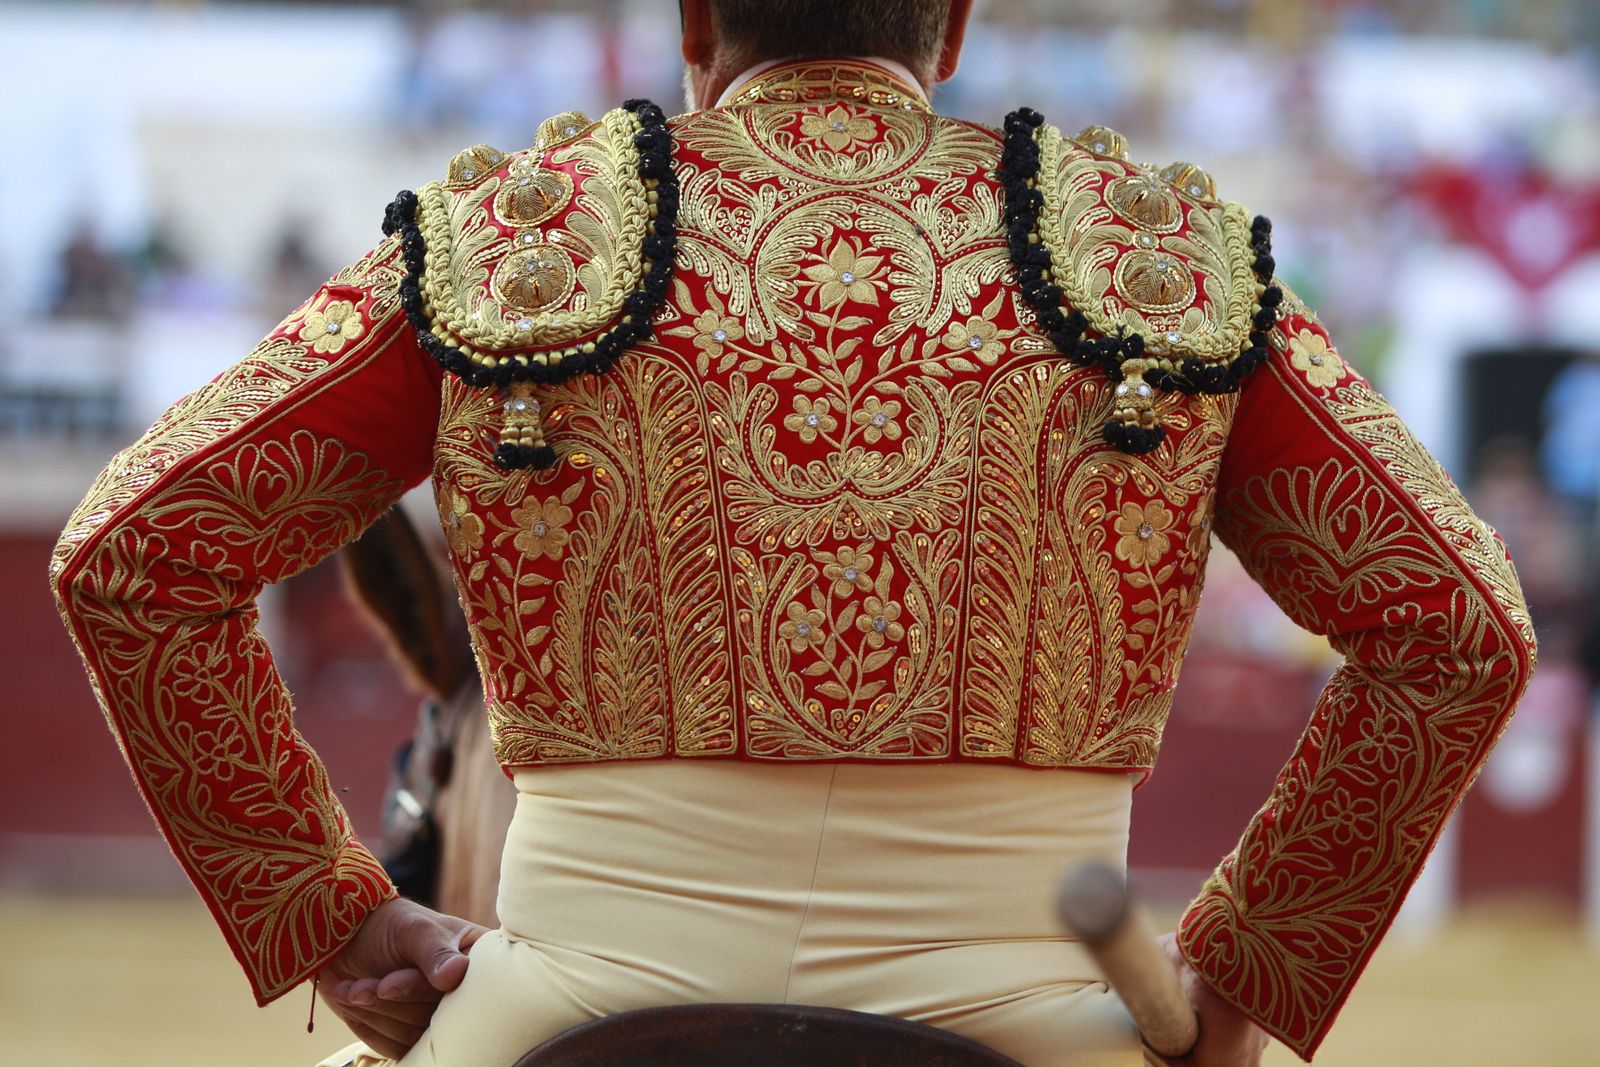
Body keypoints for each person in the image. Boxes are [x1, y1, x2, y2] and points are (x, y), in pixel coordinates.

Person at [50, 2, 1536, 1065]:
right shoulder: (1150, 265)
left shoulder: (516, 244)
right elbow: (1461, 629)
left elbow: (129, 554)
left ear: (692, 24)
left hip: (561, 1005)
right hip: (1043, 1018)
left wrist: (337, 919)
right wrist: (1240, 972)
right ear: (952, 25)